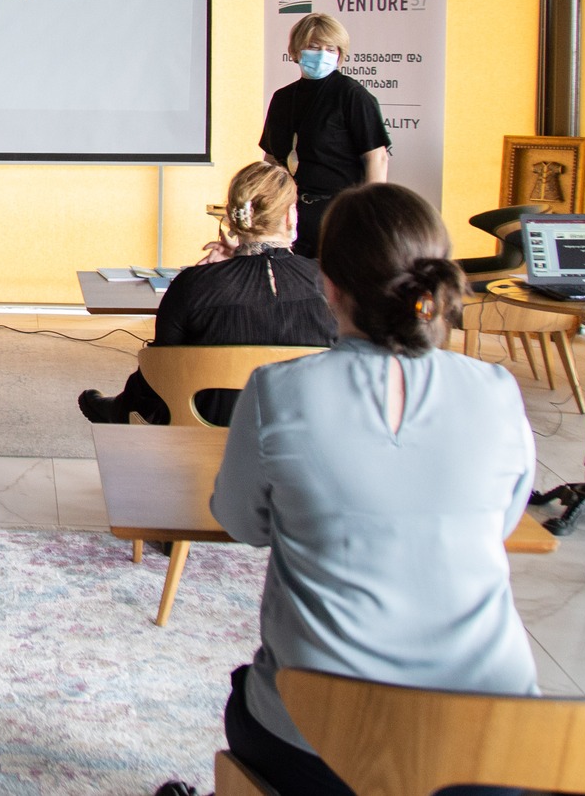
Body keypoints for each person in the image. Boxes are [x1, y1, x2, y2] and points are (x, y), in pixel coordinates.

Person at [208, 183, 535, 796]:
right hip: (492, 745)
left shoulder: (278, 391)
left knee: (248, 700)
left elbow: (241, 522)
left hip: (316, 740)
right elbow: (502, 522)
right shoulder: (497, 392)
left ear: (329, 285)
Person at [78, 163, 335, 426]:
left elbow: (160, 372)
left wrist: (226, 269)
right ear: (291, 216)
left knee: (160, 369)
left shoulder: (192, 285)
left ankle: (121, 409)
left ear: (233, 217)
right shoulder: (332, 284)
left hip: (205, 431)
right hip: (307, 431)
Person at [259, 12, 391, 257]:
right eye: (313, 47)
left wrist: (369, 214)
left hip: (338, 213)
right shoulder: (282, 98)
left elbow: (377, 157)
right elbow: (271, 159)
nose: (322, 55)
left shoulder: (352, 94)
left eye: (331, 49)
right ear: (296, 50)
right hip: (289, 213)